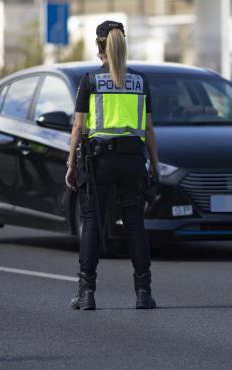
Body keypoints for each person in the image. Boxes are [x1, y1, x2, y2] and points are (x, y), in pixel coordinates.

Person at [65, 20, 160, 310]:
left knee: (92, 222)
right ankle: (143, 293)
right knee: (135, 226)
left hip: (99, 162)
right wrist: (154, 164)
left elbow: (78, 127)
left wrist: (70, 162)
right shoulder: (139, 82)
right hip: (132, 162)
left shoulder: (90, 81)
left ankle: (87, 293)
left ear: (99, 47)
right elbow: (148, 129)